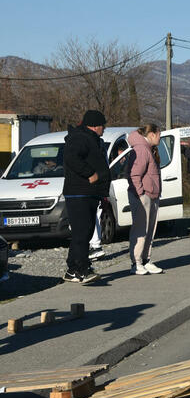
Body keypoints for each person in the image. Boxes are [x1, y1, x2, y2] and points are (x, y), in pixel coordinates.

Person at [61, 109, 111, 284]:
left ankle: (73, 269)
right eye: (102, 125)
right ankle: (82, 270)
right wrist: (90, 173)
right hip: (79, 192)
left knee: (85, 231)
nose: (104, 128)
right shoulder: (81, 138)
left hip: (88, 193)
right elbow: (71, 157)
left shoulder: (91, 139)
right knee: (82, 231)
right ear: (96, 126)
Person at [126, 124, 164, 275]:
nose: (160, 138)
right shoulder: (142, 149)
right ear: (152, 134)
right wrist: (141, 193)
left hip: (151, 195)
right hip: (143, 195)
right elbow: (134, 175)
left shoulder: (148, 148)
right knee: (140, 230)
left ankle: (146, 260)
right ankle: (136, 262)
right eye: (159, 134)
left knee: (149, 230)